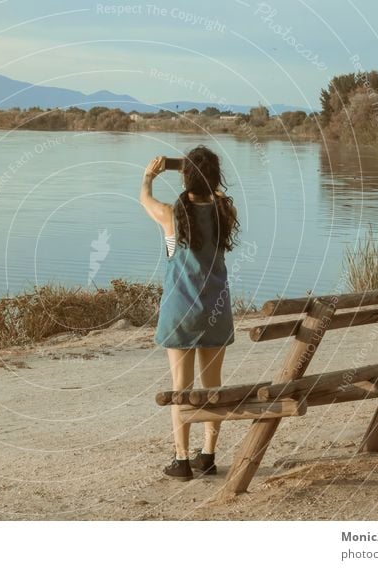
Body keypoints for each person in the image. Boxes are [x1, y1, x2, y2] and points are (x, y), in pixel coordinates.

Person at [139, 145, 240, 481]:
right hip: (217, 311)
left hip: (180, 312)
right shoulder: (224, 210)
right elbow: (218, 192)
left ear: (186, 177)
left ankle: (181, 459)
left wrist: (149, 177)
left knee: (181, 386)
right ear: (213, 178)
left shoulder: (172, 215)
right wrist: (200, 173)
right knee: (212, 385)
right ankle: (208, 455)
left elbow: (144, 200)